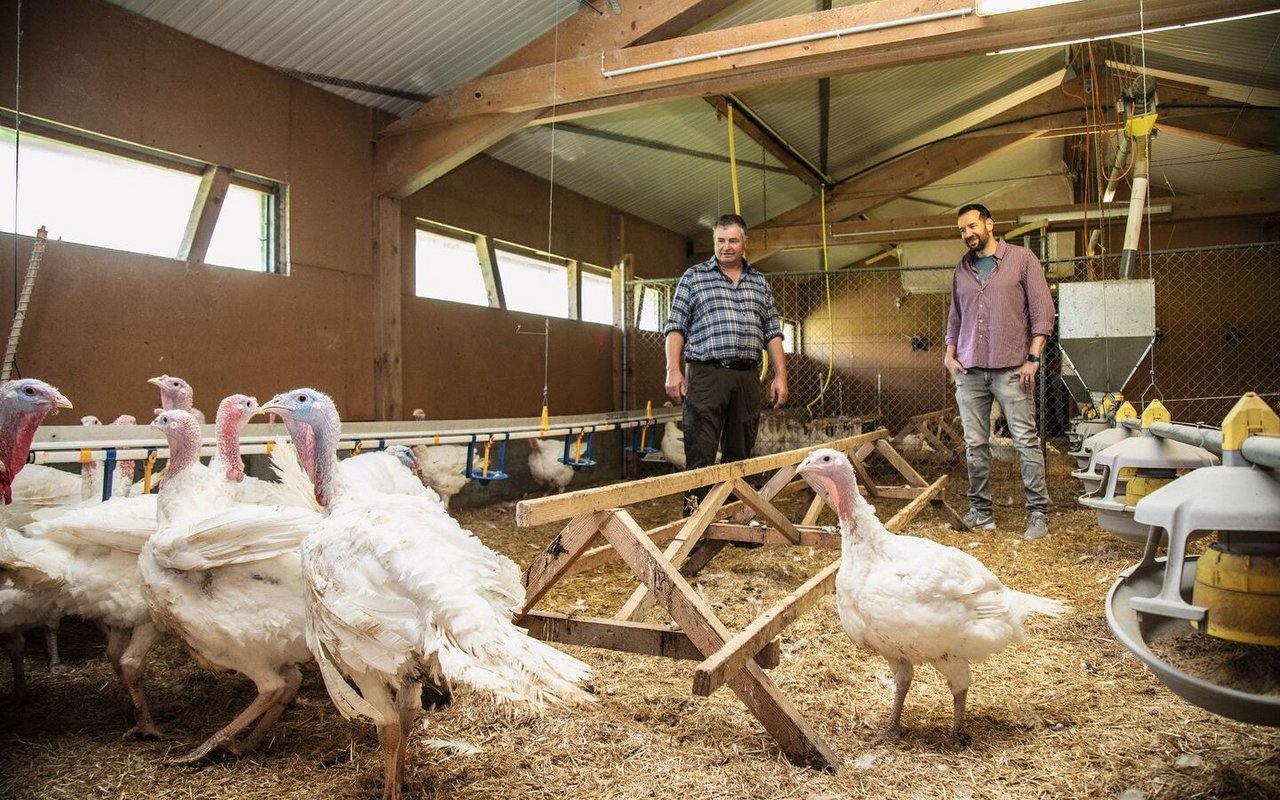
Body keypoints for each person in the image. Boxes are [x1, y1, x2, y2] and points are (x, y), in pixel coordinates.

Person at [945, 203, 1056, 540]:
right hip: (969, 370)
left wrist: (1033, 358)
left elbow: (1043, 312)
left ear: (989, 224)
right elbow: (955, 317)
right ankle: (981, 513)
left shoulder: (1023, 260)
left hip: (1012, 369)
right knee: (974, 444)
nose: (968, 234)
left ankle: (1038, 515)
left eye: (973, 226)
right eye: (963, 230)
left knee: (1025, 441)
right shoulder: (961, 270)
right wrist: (949, 356)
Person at [664, 213, 788, 514]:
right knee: (700, 451)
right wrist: (673, 369)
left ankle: (734, 522)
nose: (726, 246)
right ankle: (696, 527)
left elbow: (772, 331)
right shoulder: (694, 277)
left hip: (746, 376)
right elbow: (675, 326)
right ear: (714, 242)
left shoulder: (759, 282)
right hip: (706, 374)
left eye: (733, 240)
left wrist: (780, 374)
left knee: (740, 453)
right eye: (721, 240)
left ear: (745, 243)